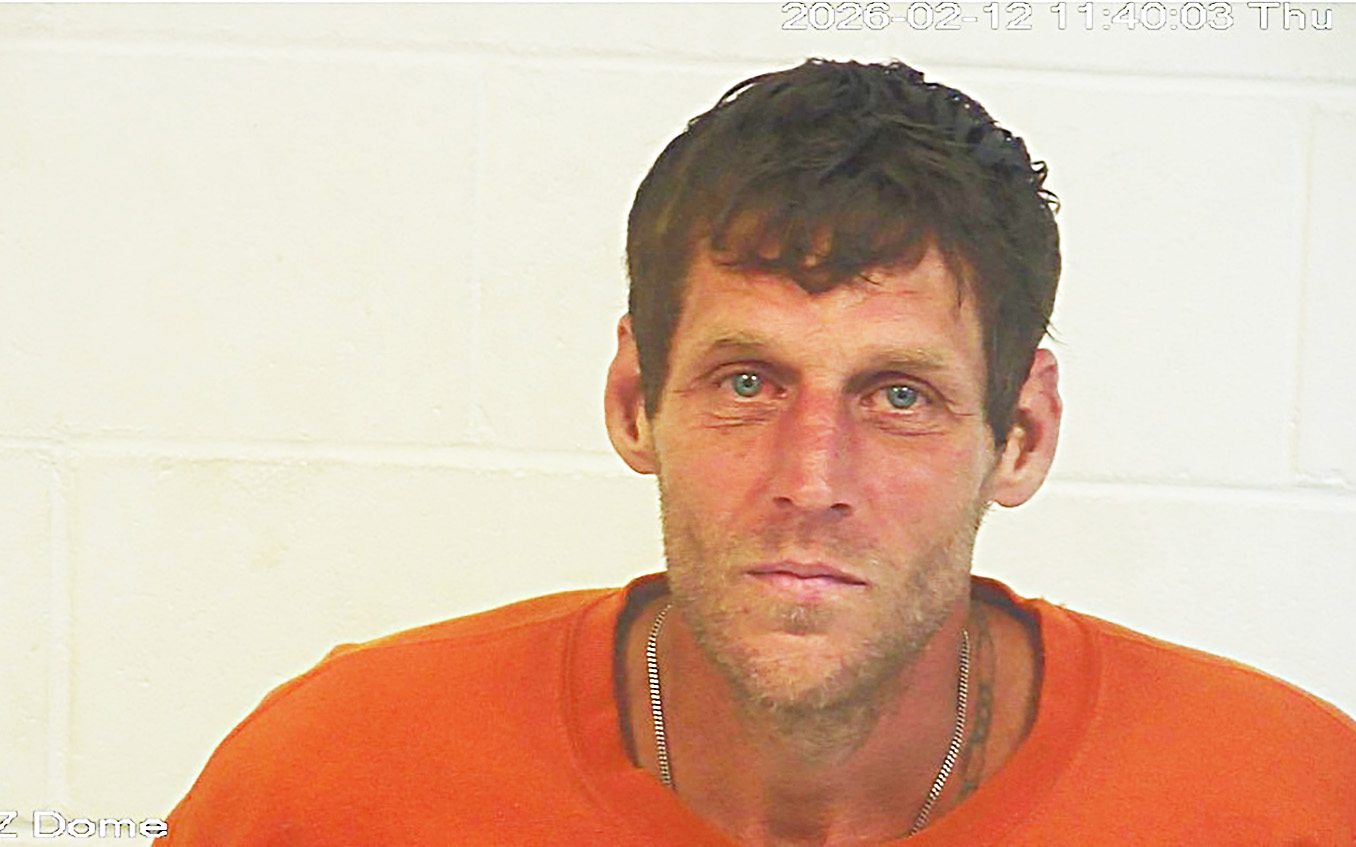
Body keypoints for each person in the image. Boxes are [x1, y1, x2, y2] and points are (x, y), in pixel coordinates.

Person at [157, 59, 1355, 846]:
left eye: (898, 395)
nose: (812, 480)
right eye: (748, 382)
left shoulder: (1289, 800)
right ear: (635, 400)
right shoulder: (332, 784)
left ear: (1022, 436)